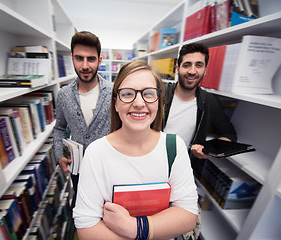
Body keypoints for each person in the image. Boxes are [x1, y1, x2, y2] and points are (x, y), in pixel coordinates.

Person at [73, 60, 198, 239]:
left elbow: (188, 214)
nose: (139, 103)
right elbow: (87, 227)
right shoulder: (96, 153)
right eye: (127, 94)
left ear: (158, 102)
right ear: (116, 103)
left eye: (148, 93)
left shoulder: (174, 146)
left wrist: (135, 228)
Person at [53, 31, 112, 197]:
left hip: (109, 168)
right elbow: (59, 128)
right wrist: (59, 155)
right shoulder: (64, 94)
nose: (85, 66)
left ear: (100, 60)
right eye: (79, 58)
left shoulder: (114, 92)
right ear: (72, 58)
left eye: (91, 59)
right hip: (77, 169)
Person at [163, 42, 237, 159]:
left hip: (183, 165)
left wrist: (209, 149)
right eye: (187, 65)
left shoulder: (209, 101)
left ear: (205, 70)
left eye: (198, 65)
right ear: (177, 69)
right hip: (150, 160)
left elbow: (229, 134)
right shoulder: (160, 94)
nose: (192, 71)